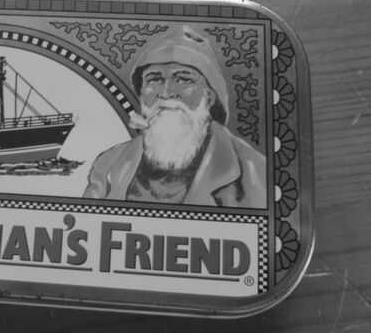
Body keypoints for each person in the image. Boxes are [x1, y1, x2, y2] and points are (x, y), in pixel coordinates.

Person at [83, 25, 266, 208]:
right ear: (141, 93)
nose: (166, 93)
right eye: (154, 79)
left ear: (209, 96)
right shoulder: (109, 162)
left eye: (184, 79)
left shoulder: (254, 171)